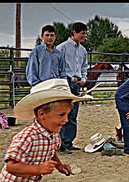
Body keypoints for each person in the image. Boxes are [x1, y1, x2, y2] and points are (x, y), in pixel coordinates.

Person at [56, 22, 88, 153]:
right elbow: (57, 67)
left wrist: (83, 79)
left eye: (85, 33)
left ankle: (68, 142)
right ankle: (60, 143)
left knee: (73, 114)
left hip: (76, 83)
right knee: (62, 112)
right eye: (82, 33)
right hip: (65, 82)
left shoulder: (83, 50)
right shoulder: (61, 48)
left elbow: (84, 66)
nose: (84, 36)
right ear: (74, 32)